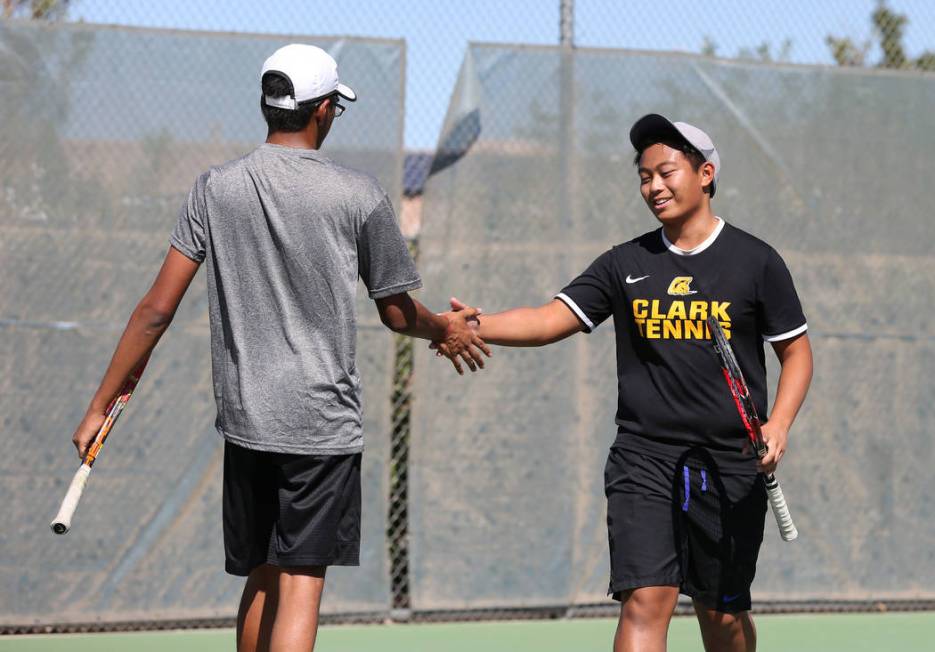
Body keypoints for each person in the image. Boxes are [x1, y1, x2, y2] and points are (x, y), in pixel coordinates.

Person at [70, 44, 489, 652]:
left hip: (247, 423)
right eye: (334, 109)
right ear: (323, 110)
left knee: (262, 578)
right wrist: (446, 330)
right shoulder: (359, 194)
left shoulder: (213, 188)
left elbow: (155, 310)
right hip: (320, 425)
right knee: (300, 583)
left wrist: (98, 407)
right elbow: (397, 312)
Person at [437, 114, 813, 652]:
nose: (653, 187)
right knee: (644, 599)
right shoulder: (625, 264)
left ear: (705, 173)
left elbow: (796, 354)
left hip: (730, 463)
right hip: (644, 457)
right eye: (643, 177)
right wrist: (475, 325)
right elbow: (549, 320)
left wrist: (779, 424)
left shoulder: (756, 261)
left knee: (721, 615)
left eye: (666, 172)